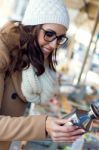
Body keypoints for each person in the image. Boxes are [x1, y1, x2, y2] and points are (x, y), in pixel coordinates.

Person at [0, 0, 85, 149]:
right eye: (50, 34)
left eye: (59, 38)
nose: (54, 45)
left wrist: (82, 118)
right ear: (32, 27)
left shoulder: (31, 58)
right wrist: (44, 125)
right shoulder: (3, 55)